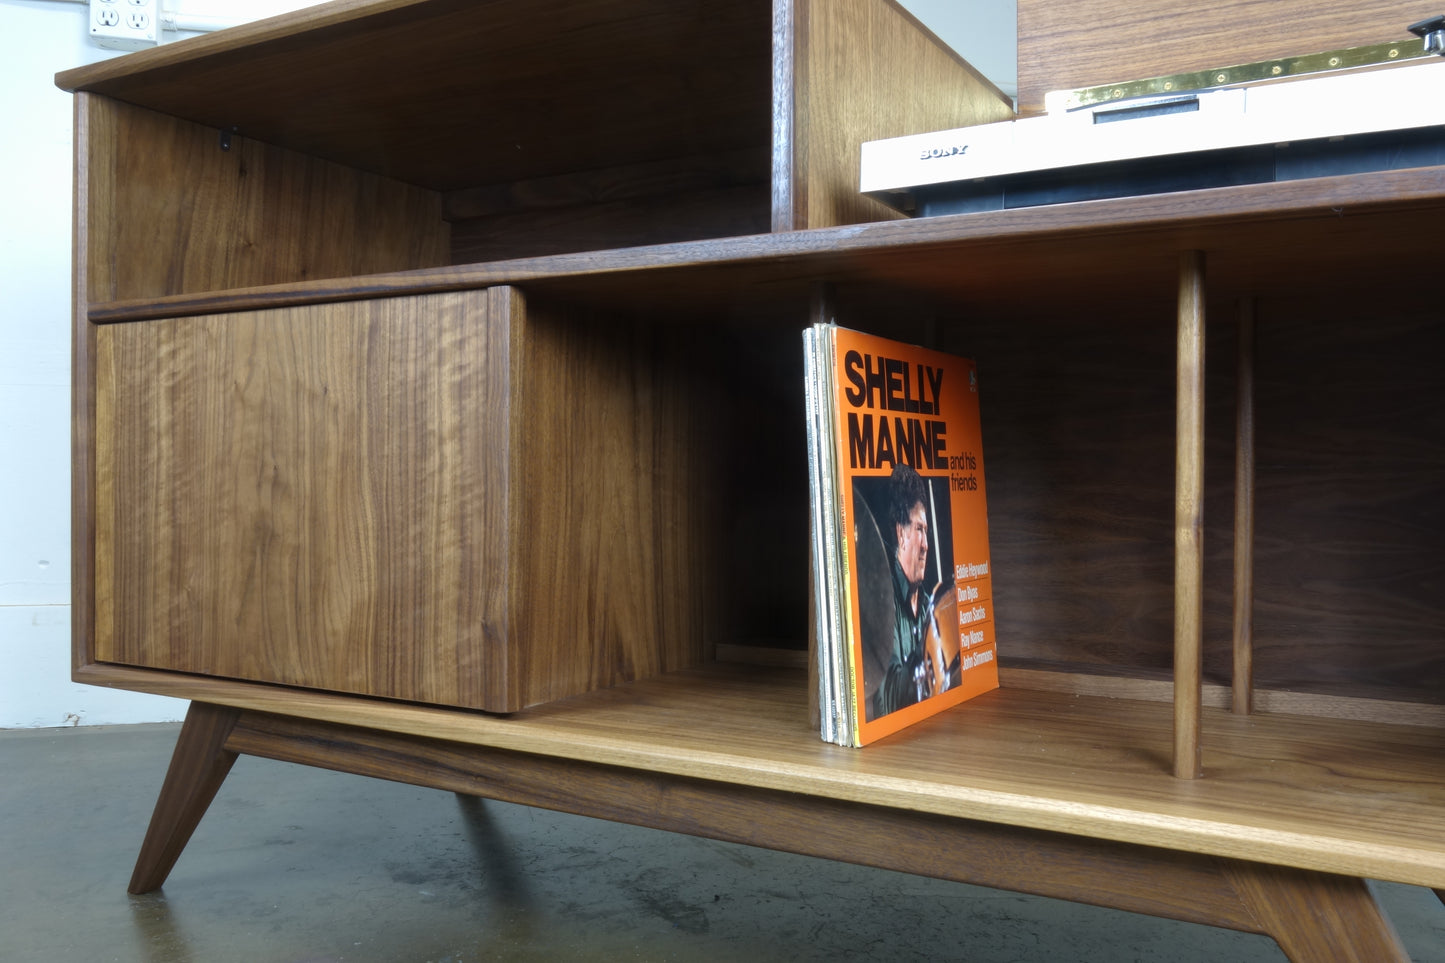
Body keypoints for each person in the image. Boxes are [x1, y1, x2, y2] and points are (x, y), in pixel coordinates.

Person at [870, 464, 943, 718]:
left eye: (927, 531)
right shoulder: (882, 602)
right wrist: (927, 654)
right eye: (919, 530)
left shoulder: (927, 607)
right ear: (901, 534)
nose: (926, 545)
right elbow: (887, 698)